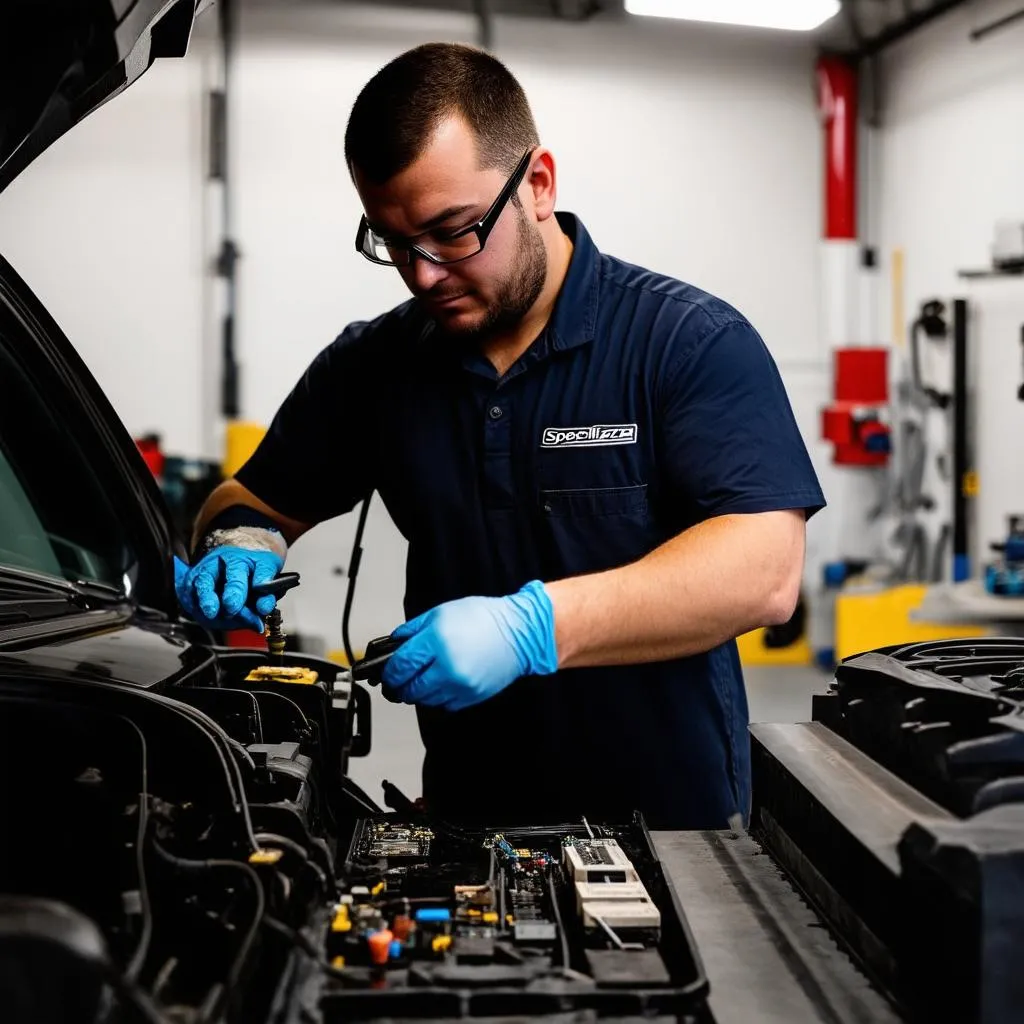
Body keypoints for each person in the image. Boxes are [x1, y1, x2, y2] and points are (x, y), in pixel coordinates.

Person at [176, 42, 825, 829]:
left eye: (453, 232)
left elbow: (761, 570)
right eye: (393, 242)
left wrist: (532, 628)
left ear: (538, 185)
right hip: (467, 829)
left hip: (673, 834)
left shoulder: (685, 342)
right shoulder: (375, 366)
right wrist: (240, 538)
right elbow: (252, 498)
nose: (423, 275)